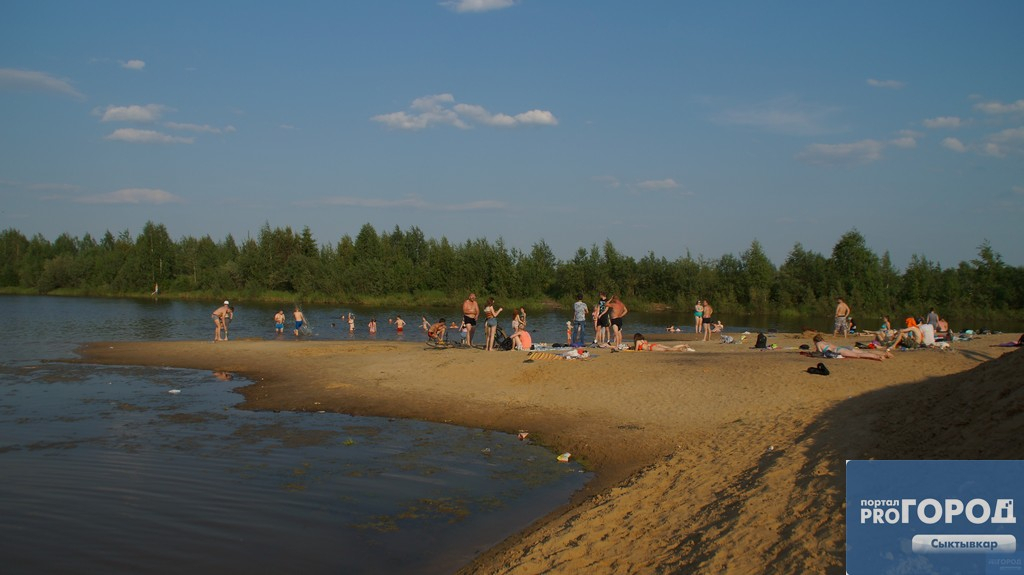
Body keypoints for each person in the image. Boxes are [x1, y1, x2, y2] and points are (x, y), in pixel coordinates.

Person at [813, 334, 890, 361]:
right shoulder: (826, 342)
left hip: (840, 350)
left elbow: (820, 352)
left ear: (815, 341)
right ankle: (884, 353)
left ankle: (877, 357)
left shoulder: (818, 343)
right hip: (843, 347)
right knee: (864, 352)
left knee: (857, 356)